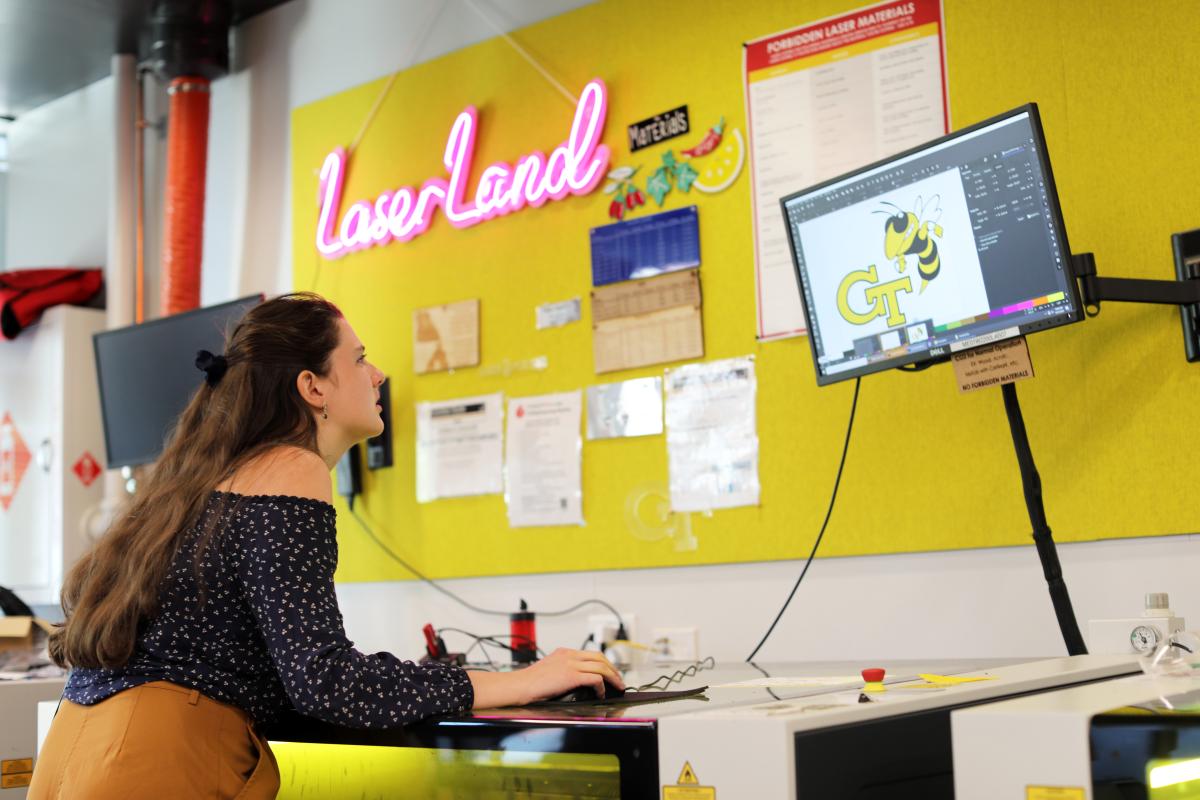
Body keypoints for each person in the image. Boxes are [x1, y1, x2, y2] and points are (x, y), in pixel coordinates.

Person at [29, 292, 623, 799]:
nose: (379, 375)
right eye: (360, 359)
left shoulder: (200, 480)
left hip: (77, 755)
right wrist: (524, 681)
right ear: (312, 387)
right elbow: (328, 684)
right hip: (158, 764)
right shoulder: (293, 467)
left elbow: (292, 674)